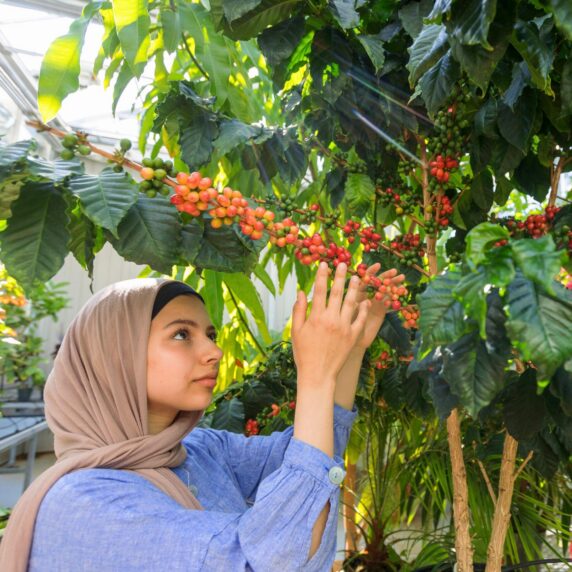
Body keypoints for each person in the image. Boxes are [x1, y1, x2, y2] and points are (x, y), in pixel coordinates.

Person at [0, 261, 402, 571]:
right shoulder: (87, 504)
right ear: (115, 358)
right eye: (181, 334)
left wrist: (349, 356)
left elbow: (309, 461)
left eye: (209, 334)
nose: (213, 352)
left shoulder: (196, 450)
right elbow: (264, 560)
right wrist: (314, 377)